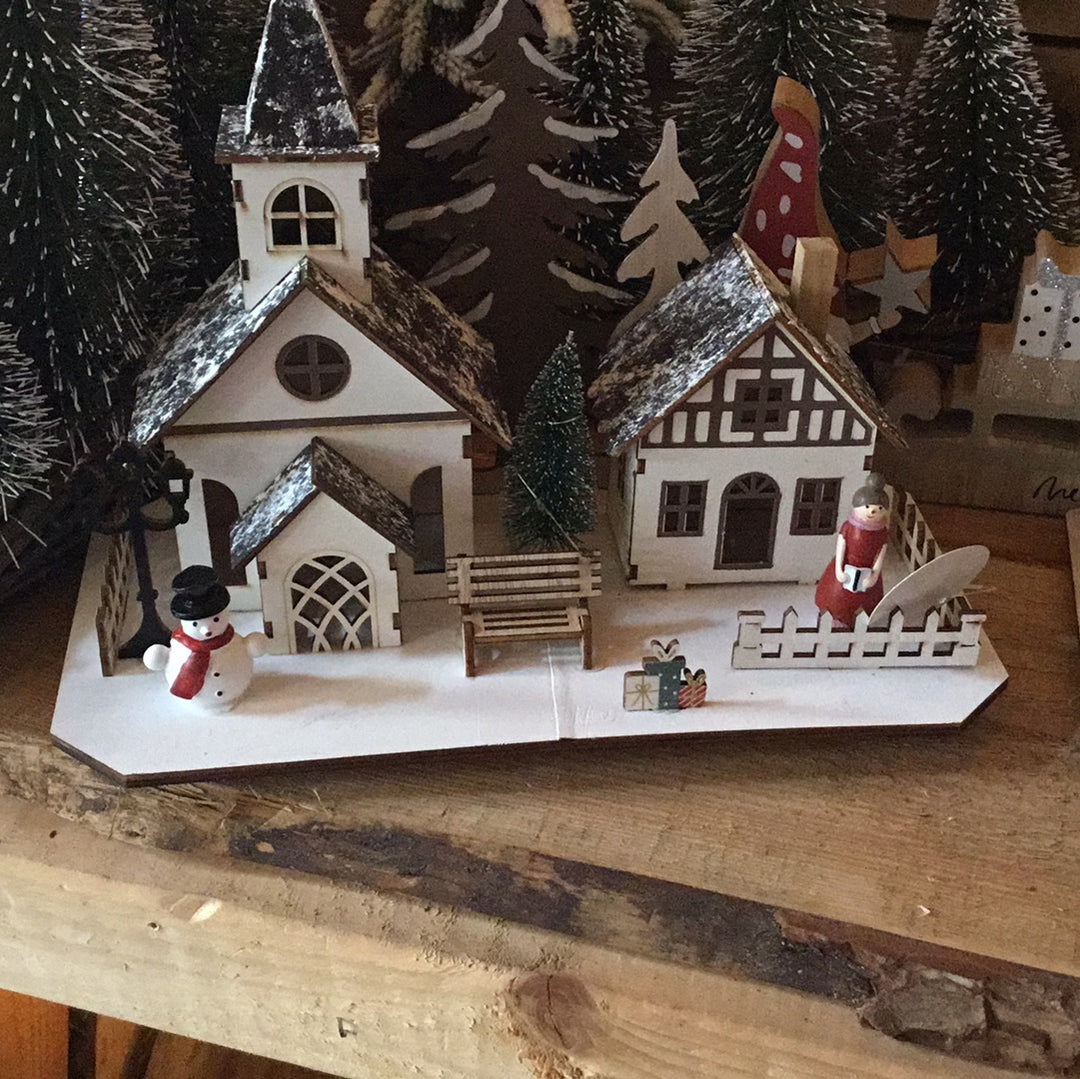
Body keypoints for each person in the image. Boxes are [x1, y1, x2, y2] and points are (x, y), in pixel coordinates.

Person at [814, 473, 890, 628]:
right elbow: (841, 548)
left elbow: (879, 556)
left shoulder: (882, 532)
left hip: (867, 570)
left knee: (867, 599)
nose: (872, 512)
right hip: (847, 567)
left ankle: (863, 621)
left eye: (879, 508)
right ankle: (836, 617)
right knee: (837, 596)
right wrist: (838, 570)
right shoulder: (849, 527)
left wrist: (874, 576)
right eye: (867, 507)